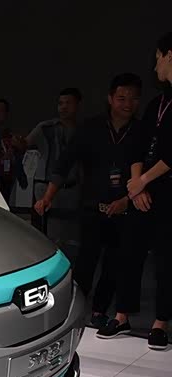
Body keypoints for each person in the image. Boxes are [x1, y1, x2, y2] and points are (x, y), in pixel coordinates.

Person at [35, 73, 143, 330]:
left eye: (133, 99)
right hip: (92, 207)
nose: (127, 104)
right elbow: (65, 162)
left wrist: (127, 200)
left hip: (124, 209)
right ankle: (75, 312)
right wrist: (48, 197)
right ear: (110, 99)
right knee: (85, 262)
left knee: (114, 265)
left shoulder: (140, 131)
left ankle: (99, 311)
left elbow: (143, 173)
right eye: (121, 98)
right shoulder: (91, 128)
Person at [97, 32, 172, 350]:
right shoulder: (158, 103)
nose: (155, 65)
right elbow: (138, 146)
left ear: (169, 55)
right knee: (129, 253)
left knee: (166, 260)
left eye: (157, 58)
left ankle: (161, 323)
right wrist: (137, 183)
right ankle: (123, 315)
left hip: (167, 193)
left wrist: (143, 181)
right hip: (143, 192)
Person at [17, 88, 83, 231]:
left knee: (70, 228)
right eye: (61, 103)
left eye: (68, 103)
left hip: (71, 186)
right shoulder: (46, 127)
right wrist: (18, 142)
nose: (64, 107)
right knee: (46, 227)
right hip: (45, 184)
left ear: (77, 105)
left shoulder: (82, 130)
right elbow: (25, 144)